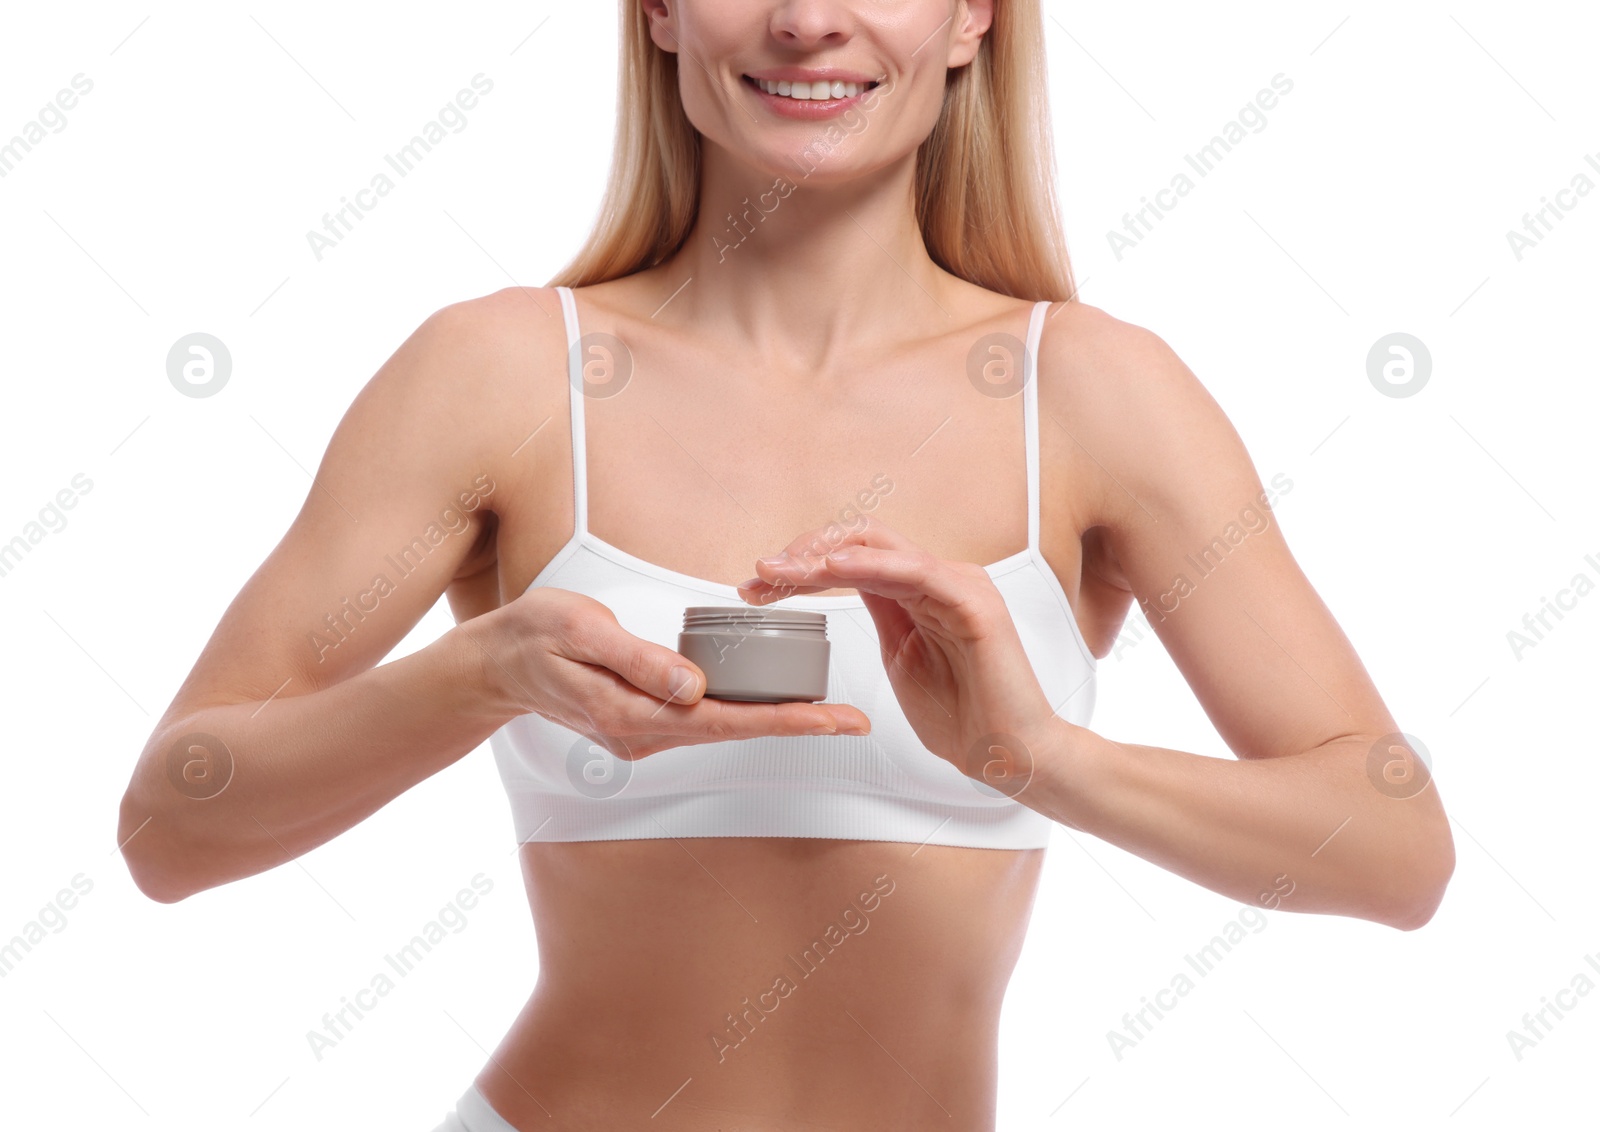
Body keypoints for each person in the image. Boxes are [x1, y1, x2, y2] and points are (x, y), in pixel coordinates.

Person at [117, 2, 1456, 1129]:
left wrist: (1034, 757)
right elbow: (170, 829)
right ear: (658, 12)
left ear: (972, 18)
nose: (809, 19)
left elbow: (1397, 852)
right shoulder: (497, 374)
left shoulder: (1098, 394)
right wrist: (484, 672)